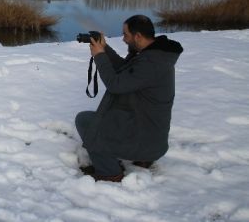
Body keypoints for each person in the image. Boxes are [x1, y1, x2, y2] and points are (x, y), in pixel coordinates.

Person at [75, 15, 183, 182]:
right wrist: (105, 49)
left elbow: (115, 84)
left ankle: (110, 173)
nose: (124, 39)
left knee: (87, 122)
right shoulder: (153, 56)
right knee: (104, 118)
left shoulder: (151, 63)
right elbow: (124, 71)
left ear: (137, 36)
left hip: (145, 141)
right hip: (148, 135)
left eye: (125, 35)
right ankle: (142, 159)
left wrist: (99, 56)